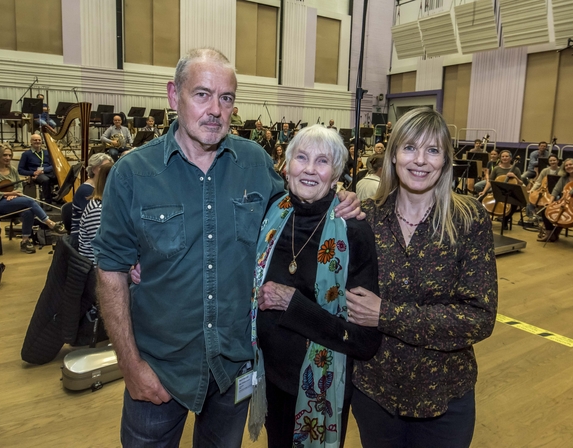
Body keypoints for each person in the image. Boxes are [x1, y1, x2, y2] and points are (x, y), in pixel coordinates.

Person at [92, 47, 362, 448]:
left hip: (234, 368)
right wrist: (130, 366)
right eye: (202, 94)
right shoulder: (133, 173)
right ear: (173, 96)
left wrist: (343, 199)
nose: (215, 109)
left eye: (227, 98)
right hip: (160, 367)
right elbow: (110, 271)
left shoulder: (254, 164)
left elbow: (297, 215)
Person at [346, 108, 497, 448]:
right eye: (410, 148)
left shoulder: (469, 219)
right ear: (394, 155)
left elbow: (479, 318)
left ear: (445, 160)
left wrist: (386, 314)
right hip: (375, 391)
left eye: (433, 150)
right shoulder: (364, 217)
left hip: (444, 393)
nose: (420, 160)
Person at [251, 124, 381, 447]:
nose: (309, 169)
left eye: (322, 162)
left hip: (320, 388)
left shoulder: (353, 232)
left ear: (337, 174)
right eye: (302, 158)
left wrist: (292, 304)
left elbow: (364, 340)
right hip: (269, 382)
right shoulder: (272, 214)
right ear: (286, 165)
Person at [0, 144, 64, 254]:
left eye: (9, 155)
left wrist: (15, 194)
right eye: (5, 155)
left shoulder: (12, 169)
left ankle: (25, 241)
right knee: (30, 201)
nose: (8, 157)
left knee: (28, 211)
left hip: (12, 201)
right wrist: (8, 193)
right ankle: (50, 223)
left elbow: (19, 187)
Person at [537, 158, 573, 252]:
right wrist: (550, 202)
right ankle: (550, 233)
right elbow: (556, 190)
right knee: (546, 208)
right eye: (566, 165)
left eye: (570, 164)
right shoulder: (564, 178)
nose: (568, 167)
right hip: (566, 201)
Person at [70, 153, 113, 238]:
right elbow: (96, 220)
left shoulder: (102, 187)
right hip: (82, 237)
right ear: (93, 170)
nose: (107, 171)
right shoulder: (86, 190)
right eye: (103, 167)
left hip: (95, 231)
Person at [78, 164, 113, 262]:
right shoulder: (98, 210)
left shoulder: (108, 204)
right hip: (96, 267)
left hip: (106, 261)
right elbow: (103, 249)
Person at [18, 134, 57, 205]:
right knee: (46, 180)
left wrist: (43, 171)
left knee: (63, 177)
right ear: (31, 142)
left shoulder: (47, 152)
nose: (37, 141)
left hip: (47, 172)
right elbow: (20, 170)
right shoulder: (26, 154)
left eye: (39, 140)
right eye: (35, 140)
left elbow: (53, 165)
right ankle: (48, 202)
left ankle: (58, 196)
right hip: (36, 175)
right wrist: (33, 173)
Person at [526, 154, 562, 220]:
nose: (552, 162)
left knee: (557, 198)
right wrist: (532, 190)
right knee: (531, 197)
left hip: (556, 192)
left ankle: (550, 216)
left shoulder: (562, 171)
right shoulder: (545, 170)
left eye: (554, 160)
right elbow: (538, 182)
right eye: (550, 161)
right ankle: (533, 214)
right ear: (548, 162)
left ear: (558, 161)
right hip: (544, 190)